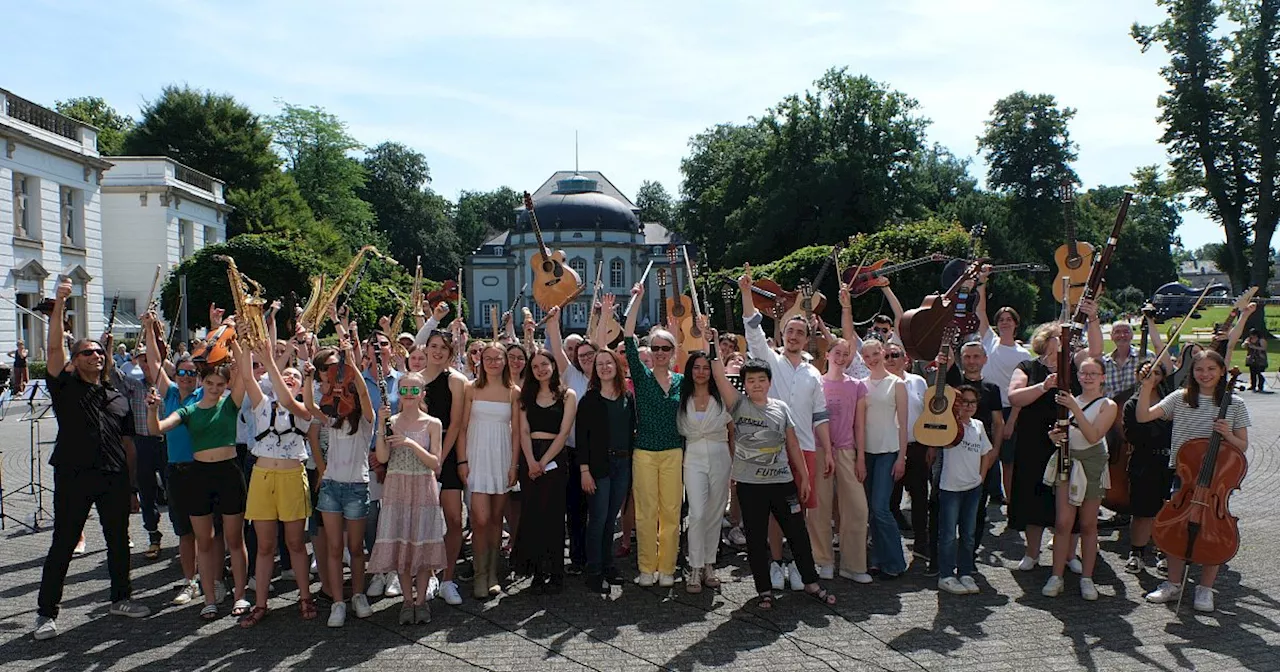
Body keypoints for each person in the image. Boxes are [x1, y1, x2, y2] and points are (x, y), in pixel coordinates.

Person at [33, 277, 149, 641]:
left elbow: (129, 445)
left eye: (100, 352)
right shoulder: (65, 388)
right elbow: (53, 348)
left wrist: (132, 488)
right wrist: (60, 303)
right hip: (73, 475)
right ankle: (47, 613)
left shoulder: (117, 397)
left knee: (117, 539)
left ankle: (121, 598)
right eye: (87, 352)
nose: (96, 356)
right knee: (64, 544)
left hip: (113, 476)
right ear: (75, 359)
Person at [709, 338, 836, 610]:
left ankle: (812, 583)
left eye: (761, 380)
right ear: (745, 384)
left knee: (798, 533)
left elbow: (793, 444)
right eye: (751, 380)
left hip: (783, 483)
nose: (756, 384)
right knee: (755, 540)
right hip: (750, 485)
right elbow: (718, 375)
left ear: (769, 382)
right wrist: (712, 342)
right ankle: (764, 590)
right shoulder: (738, 405)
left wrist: (802, 477)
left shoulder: (781, 408)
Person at [738, 265, 834, 590]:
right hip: (771, 450)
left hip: (806, 448)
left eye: (799, 333)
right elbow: (752, 330)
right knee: (772, 513)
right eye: (789, 332)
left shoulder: (814, 374)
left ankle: (797, 563)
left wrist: (827, 451)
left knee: (799, 511)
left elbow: (820, 415)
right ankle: (776, 563)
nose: (793, 337)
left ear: (807, 339)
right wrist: (746, 293)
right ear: (781, 334)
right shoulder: (769, 361)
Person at [148, 338, 252, 621]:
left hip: (229, 473)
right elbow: (157, 428)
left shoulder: (231, 404)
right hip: (199, 476)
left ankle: (240, 595)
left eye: (220, 385)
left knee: (234, 539)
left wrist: (238, 341)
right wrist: (151, 408)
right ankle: (208, 599)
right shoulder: (189, 410)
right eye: (210, 384)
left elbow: (245, 372)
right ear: (202, 383)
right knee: (203, 541)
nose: (216, 389)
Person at [1138, 349, 1250, 612]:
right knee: (1177, 526)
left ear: (1222, 371)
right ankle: (1173, 583)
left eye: (1211, 369)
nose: (1205, 374)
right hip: (1184, 475)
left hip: (1217, 479)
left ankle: (1205, 588)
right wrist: (1146, 387)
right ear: (1192, 372)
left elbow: (1242, 446)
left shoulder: (1235, 403)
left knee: (1215, 531)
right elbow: (1143, 416)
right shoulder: (1181, 398)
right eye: (1200, 369)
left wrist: (1227, 435)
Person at [1006, 309, 1101, 574]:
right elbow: (1014, 397)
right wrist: (1043, 387)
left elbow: (1095, 352)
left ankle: (1069, 554)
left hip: (1071, 441)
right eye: (1060, 337)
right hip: (1034, 443)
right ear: (1047, 340)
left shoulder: (1076, 367)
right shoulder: (1028, 367)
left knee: (1071, 500)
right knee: (1033, 498)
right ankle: (1032, 553)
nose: (1066, 342)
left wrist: (1092, 319)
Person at [238, 342, 316, 626]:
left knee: (295, 543)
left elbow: (290, 399)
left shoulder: (304, 409)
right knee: (265, 546)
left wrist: (272, 363)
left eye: (295, 376)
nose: (289, 378)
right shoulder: (262, 404)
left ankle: (305, 597)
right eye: (286, 375)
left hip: (292, 477)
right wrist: (244, 344)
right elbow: (247, 377)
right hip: (262, 477)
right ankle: (260, 604)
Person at [305, 335, 375, 628]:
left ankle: (358, 594)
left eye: (348, 393)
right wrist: (309, 375)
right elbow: (309, 405)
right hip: (332, 487)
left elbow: (360, 388)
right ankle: (337, 601)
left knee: (356, 548)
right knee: (335, 549)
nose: (343, 396)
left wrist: (349, 362)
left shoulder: (367, 421)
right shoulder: (331, 419)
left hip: (357, 487)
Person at [368, 372, 446, 625]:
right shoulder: (391, 420)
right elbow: (381, 457)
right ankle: (407, 602)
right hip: (397, 485)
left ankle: (421, 601)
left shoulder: (433, 423)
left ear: (423, 394)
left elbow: (436, 463)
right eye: (404, 390)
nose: (409, 395)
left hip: (423, 485)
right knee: (401, 542)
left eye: (415, 390)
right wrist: (381, 427)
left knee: (422, 544)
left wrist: (410, 443)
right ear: (398, 393)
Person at [622, 282, 685, 588]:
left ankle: (668, 567)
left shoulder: (682, 382)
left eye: (666, 348)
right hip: (644, 450)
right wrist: (637, 299)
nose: (660, 353)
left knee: (671, 511)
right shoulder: (641, 375)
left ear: (674, 352)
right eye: (655, 348)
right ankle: (647, 567)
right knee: (646, 512)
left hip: (674, 450)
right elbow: (627, 335)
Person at [1042, 358, 1117, 600]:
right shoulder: (1069, 400)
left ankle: (1087, 578)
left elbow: (1094, 435)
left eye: (1093, 373)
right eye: (1084, 373)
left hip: (1092, 462)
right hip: (1068, 459)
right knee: (1063, 522)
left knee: (1088, 524)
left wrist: (1074, 408)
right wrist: (1053, 436)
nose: (1088, 377)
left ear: (1103, 377)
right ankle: (1057, 575)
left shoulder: (1108, 404)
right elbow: (1062, 429)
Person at [512, 348, 577, 592]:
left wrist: (544, 460)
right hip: (531, 457)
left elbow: (564, 433)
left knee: (554, 516)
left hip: (555, 457)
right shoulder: (525, 397)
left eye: (545, 364)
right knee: (533, 515)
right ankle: (537, 572)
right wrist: (531, 462)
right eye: (536, 366)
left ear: (553, 365)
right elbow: (524, 432)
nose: (540, 370)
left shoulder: (567, 395)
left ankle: (556, 572)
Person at [459, 341, 521, 599]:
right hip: (476, 458)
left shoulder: (513, 391)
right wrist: (462, 461)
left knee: (496, 520)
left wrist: (514, 465)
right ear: (480, 361)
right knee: (480, 520)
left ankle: (492, 573)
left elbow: (516, 432)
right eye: (488, 358)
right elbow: (462, 428)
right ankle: (479, 574)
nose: (493, 362)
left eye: (498, 358)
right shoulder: (471, 388)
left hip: (501, 458)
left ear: (505, 361)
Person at [676, 328, 733, 593]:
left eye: (705, 368)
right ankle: (694, 565)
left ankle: (709, 564)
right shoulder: (682, 398)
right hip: (694, 457)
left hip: (721, 455)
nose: (701, 372)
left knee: (714, 514)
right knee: (697, 513)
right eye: (696, 368)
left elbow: (732, 432)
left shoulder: (721, 397)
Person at [577, 348, 636, 593]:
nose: (604, 367)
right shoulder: (589, 399)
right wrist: (584, 471)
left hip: (623, 464)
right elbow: (582, 438)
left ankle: (608, 565)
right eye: (599, 363)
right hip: (599, 466)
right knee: (598, 519)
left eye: (608, 362)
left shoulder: (627, 397)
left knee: (611, 519)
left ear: (617, 366)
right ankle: (594, 570)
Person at [546, 308, 597, 575]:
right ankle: (577, 558)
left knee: (598, 510)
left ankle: (596, 557)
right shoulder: (572, 376)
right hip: (574, 452)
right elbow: (556, 348)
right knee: (575, 509)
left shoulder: (606, 376)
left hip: (600, 452)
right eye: (582, 355)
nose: (587, 358)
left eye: (591, 354)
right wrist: (554, 323)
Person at [420, 331, 469, 605]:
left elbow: (457, 423)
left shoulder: (456, 381)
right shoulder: (414, 379)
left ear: (451, 353)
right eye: (434, 346)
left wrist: (440, 458)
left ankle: (448, 578)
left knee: (452, 519)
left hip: (446, 456)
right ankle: (426, 576)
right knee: (425, 521)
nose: (437, 351)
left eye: (443, 348)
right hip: (417, 454)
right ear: (426, 349)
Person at [935, 385, 996, 595]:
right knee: (949, 534)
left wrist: (981, 477)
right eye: (963, 402)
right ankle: (946, 574)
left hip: (972, 488)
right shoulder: (947, 424)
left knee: (969, 534)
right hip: (950, 487)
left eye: (972, 402)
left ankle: (965, 571)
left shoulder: (978, 426)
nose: (968, 406)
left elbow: (986, 453)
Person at [818, 337, 871, 583]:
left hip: (847, 450)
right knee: (819, 508)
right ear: (827, 355)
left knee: (857, 509)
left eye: (845, 354)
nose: (840, 358)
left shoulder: (857, 386)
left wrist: (860, 457)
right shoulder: (816, 383)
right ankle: (823, 560)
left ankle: (853, 564)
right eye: (836, 353)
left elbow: (859, 424)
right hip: (820, 450)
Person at [856, 339, 908, 578]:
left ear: (883, 352)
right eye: (867, 356)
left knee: (881, 507)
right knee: (871, 510)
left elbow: (904, 425)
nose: (872, 359)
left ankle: (896, 561)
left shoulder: (896, 383)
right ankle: (877, 559)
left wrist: (901, 458)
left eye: (876, 353)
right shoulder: (861, 385)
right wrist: (859, 457)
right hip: (867, 453)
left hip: (888, 451)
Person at [1121, 360, 1173, 574]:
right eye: (1148, 373)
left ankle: (1165, 551)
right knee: (1142, 511)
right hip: (1144, 461)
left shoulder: (1171, 400)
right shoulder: (1132, 404)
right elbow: (1134, 434)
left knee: (1168, 511)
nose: (1153, 377)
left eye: (1157, 373)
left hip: (1170, 462)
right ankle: (1137, 552)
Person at [978, 304, 1032, 508]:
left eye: (1009, 319)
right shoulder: (990, 341)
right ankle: (984, 500)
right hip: (987, 407)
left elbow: (1023, 391)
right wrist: (981, 281)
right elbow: (981, 311)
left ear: (1016, 323)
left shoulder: (1024, 355)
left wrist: (1011, 421)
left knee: (1008, 462)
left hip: (1010, 409)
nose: (1005, 322)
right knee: (984, 455)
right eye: (1001, 319)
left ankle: (1011, 505)